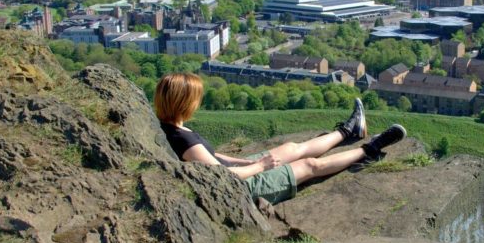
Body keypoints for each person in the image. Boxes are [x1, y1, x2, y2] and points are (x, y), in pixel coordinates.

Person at [154, 72, 407, 204]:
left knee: (291, 148)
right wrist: (260, 166)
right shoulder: (180, 137)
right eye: (196, 98)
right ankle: (371, 149)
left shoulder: (171, 127)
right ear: (184, 102)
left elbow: (211, 157)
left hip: (238, 172)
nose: (199, 102)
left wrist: (244, 162)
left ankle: (348, 131)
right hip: (240, 189)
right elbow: (221, 177)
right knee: (309, 166)